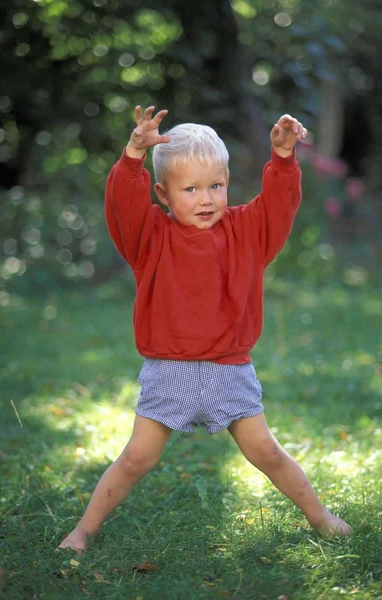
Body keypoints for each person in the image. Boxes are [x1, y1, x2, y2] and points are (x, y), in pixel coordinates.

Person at [58, 105, 350, 553]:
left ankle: (321, 517)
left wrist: (283, 157)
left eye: (215, 185)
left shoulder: (247, 232)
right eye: (190, 189)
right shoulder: (150, 237)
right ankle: (83, 531)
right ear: (163, 192)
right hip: (168, 371)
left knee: (267, 453)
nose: (207, 198)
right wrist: (133, 155)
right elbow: (123, 204)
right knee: (137, 458)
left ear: (228, 183)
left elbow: (278, 206)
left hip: (229, 370)